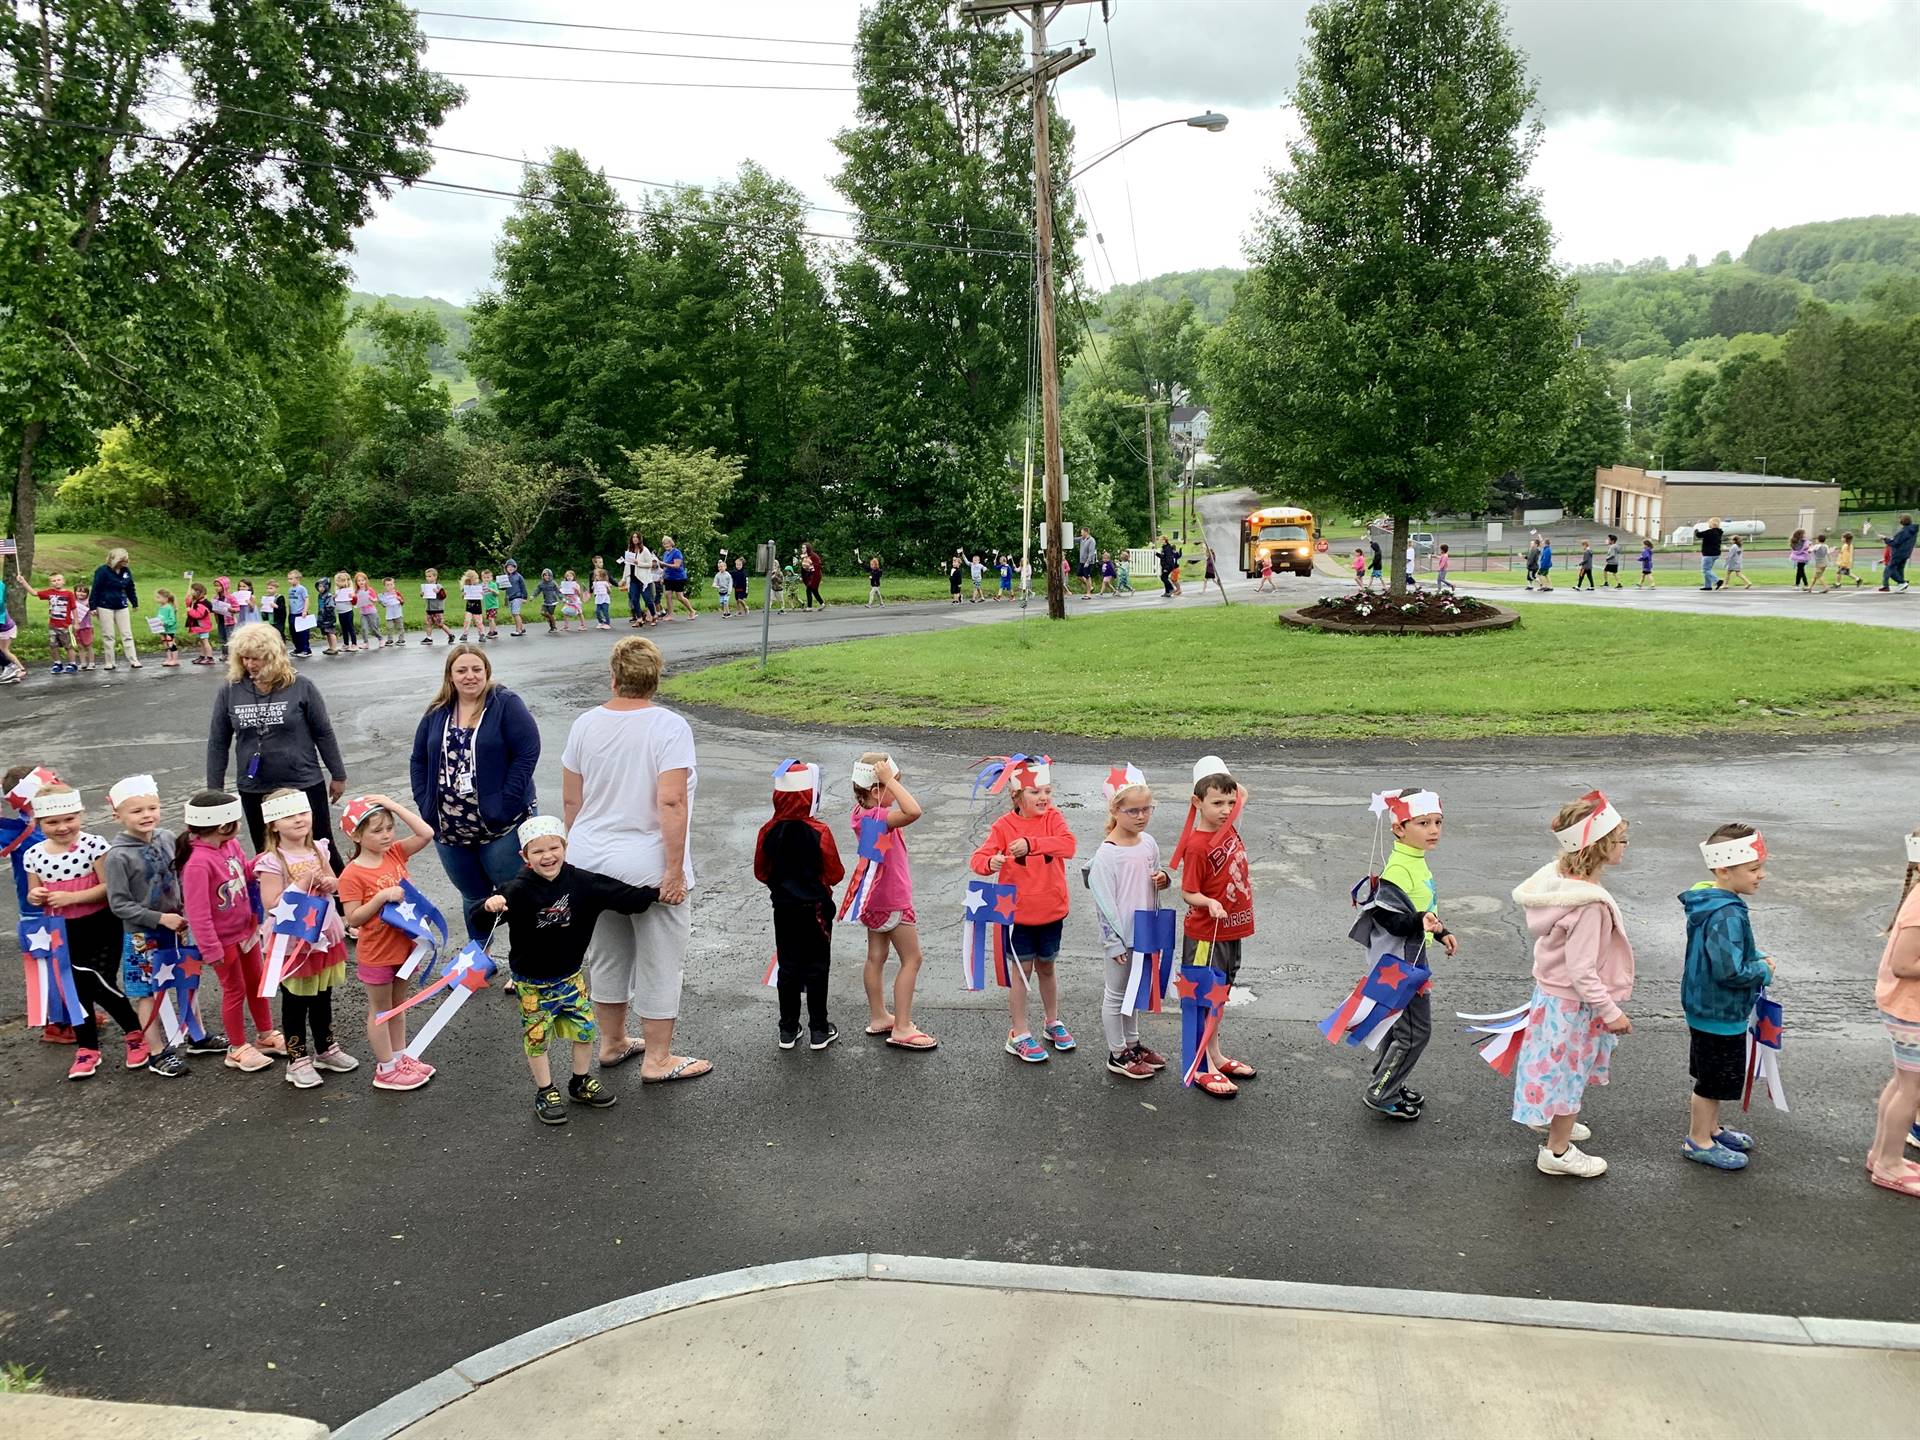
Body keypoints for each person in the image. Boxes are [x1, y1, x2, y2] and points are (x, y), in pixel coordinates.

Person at [562, 638, 707, 1083]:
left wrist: (573, 857)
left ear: (613, 677)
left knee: (607, 953)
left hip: (589, 860)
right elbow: (671, 801)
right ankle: (658, 1058)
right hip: (645, 861)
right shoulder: (669, 726)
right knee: (661, 958)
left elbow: (572, 799)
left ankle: (611, 1042)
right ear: (656, 679)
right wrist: (674, 869)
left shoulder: (584, 724)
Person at [480, 816, 657, 1123]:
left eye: (554, 847)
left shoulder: (582, 882)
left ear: (565, 847)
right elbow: (481, 920)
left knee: (585, 1031)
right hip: (532, 984)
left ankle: (580, 1081)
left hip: (571, 978)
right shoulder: (517, 890)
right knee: (537, 1038)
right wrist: (488, 906)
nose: (547, 856)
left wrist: (657, 893)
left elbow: (622, 895)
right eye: (537, 851)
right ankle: (545, 1089)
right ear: (524, 857)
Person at [1511, 792, 1635, 1178]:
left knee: (1553, 1066)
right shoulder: (1590, 906)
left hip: (1552, 996)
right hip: (1573, 1004)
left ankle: (1549, 1118)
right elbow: (1583, 971)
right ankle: (1558, 1152)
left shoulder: (1558, 883)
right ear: (1599, 847)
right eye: (1620, 840)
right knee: (1569, 1075)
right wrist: (1611, 1012)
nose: (1626, 846)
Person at [408, 642, 541, 944]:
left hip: (500, 828)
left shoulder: (505, 704)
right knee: (473, 898)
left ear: (486, 671)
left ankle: (524, 963)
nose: (470, 676)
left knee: (516, 894)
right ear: (450, 676)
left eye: (476, 669)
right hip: (450, 832)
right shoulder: (438, 711)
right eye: (462, 670)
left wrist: (506, 803)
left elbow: (527, 752)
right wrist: (425, 802)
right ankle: (477, 962)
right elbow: (418, 759)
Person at [22, 784, 145, 1080]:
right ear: (38, 823)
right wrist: (36, 895)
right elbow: (31, 893)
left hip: (102, 924)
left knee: (99, 982)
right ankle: (87, 1046)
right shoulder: (34, 854)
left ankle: (134, 1033)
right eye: (53, 822)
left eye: (69, 819)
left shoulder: (95, 845)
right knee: (74, 988)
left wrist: (72, 898)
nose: (63, 827)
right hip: (63, 930)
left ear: (80, 815)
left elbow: (109, 888)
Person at [1351, 788, 1456, 1121]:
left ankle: (1389, 1081)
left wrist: (1440, 932)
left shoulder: (1415, 862)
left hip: (1412, 957)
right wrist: (1420, 922)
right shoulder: (1398, 869)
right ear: (1399, 828)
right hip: (1401, 965)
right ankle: (1382, 1090)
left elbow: (1420, 911)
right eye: (1423, 823)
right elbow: (1389, 918)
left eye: (1438, 822)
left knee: (1400, 1028)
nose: (1434, 830)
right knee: (1415, 1033)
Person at [207, 623, 349, 865]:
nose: (250, 664)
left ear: (273, 657)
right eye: (245, 658)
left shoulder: (301, 686)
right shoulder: (230, 691)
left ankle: (342, 902)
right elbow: (218, 742)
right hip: (255, 787)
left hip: (302, 782)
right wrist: (214, 792)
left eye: (257, 658)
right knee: (268, 854)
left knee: (321, 848)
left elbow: (323, 732)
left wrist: (338, 774)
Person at [1679, 823, 1776, 1170]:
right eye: (1754, 869)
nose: (1761, 875)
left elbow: (1722, 951)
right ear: (1723, 869)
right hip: (1719, 1011)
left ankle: (1712, 1129)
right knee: (1712, 1081)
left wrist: (1753, 953)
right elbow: (1730, 971)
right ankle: (1698, 1140)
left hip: (1706, 1005)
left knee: (1717, 1076)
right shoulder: (1727, 911)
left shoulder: (1711, 899)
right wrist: (1762, 970)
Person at [970, 755, 1077, 1064]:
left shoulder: (1054, 818)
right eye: (1035, 792)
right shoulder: (1003, 826)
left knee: (1047, 966)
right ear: (1016, 794)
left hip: (1052, 910)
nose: (1043, 797)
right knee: (1022, 972)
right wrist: (991, 862)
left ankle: (1052, 1022)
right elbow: (978, 859)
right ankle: (1018, 1033)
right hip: (1017, 915)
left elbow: (1068, 846)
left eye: (1047, 790)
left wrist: (1032, 844)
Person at [253, 788, 355, 1089]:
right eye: (289, 815)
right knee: (297, 1001)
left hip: (323, 935)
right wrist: (297, 884)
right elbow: (271, 903)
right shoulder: (272, 861)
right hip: (294, 943)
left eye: (303, 813)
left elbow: (336, 884)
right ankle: (297, 1059)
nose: (298, 820)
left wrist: (329, 882)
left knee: (323, 995)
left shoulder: (318, 850)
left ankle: (326, 1048)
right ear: (273, 824)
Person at [336, 794, 437, 1092]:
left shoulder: (394, 853)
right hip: (378, 953)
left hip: (405, 948)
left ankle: (399, 1056)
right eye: (377, 830)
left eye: (389, 827)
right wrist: (381, 897)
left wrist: (391, 805)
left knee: (398, 1006)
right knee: (381, 1010)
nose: (386, 835)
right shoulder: (352, 874)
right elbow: (353, 919)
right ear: (356, 835)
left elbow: (427, 833)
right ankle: (386, 1068)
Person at [178, 788, 281, 1073]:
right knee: (234, 990)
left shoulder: (230, 845)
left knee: (257, 983)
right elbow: (198, 914)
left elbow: (242, 874)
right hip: (222, 942)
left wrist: (260, 863)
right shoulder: (197, 863)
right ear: (224, 825)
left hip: (245, 931)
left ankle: (265, 1035)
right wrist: (211, 949)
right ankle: (236, 1047)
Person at [1170, 758, 1256, 1098]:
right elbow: (1188, 891)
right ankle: (1201, 1064)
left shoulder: (1228, 823)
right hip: (1207, 933)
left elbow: (1241, 792)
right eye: (1217, 803)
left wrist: (1223, 781)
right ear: (1197, 803)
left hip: (1232, 930)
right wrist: (1209, 903)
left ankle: (1215, 1054)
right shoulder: (1197, 846)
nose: (1226, 810)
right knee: (1204, 998)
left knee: (1221, 995)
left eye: (1230, 803)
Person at [103, 774, 197, 1079]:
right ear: (117, 816)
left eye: (152, 808)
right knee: (147, 993)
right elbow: (119, 904)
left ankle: (197, 1036)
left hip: (177, 927)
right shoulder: (117, 856)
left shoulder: (168, 837)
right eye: (137, 811)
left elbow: (183, 876)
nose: (147, 816)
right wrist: (159, 919)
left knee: (187, 982)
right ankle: (157, 1052)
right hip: (143, 936)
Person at [1085, 767, 1172, 1081]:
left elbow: (1156, 877)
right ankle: (1118, 1052)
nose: (1141, 816)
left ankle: (1133, 1044)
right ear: (1115, 811)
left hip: (1145, 932)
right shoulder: (1107, 855)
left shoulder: (1147, 843)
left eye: (1146, 809)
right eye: (1133, 810)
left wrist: (1163, 880)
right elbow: (1103, 903)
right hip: (1122, 937)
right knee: (1116, 993)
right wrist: (1113, 941)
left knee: (1135, 992)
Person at [755, 761, 845, 1052]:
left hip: (783, 907)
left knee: (788, 967)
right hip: (816, 908)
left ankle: (787, 1028)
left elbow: (761, 872)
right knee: (818, 967)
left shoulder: (767, 830)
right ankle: (819, 1028)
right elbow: (835, 873)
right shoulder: (819, 831)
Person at [848, 754, 936, 1052]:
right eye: (894, 786)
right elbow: (913, 811)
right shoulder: (879, 818)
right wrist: (888, 780)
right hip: (893, 899)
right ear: (876, 790)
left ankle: (879, 1016)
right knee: (913, 959)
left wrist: (886, 782)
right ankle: (903, 1026)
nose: (898, 789)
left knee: (876, 956)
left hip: (873, 899)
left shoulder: (860, 813)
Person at [1867, 831, 1920, 1197]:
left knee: (1903, 1085)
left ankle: (1881, 1154)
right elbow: (1904, 964)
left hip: (1906, 1009)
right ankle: (1888, 1164)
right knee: (1912, 1092)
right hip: (1911, 1011)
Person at [88, 546, 141, 670]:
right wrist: (93, 606)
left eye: (125, 560)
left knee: (127, 634)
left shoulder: (126, 571)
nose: (124, 563)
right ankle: (109, 661)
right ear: (114, 559)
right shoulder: (102, 571)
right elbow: (96, 588)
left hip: (121, 605)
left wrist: (134, 602)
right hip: (105, 605)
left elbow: (130, 587)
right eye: (122, 560)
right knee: (108, 635)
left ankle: (133, 659)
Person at [34, 571, 79, 674]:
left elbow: (74, 608)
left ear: (63, 581)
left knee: (68, 645)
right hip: (53, 625)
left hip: (65, 625)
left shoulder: (69, 594)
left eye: (58, 580)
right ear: (50, 583)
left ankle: (72, 663)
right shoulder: (49, 592)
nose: (56, 582)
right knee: (53, 645)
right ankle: (57, 663)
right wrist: (23, 582)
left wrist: (76, 622)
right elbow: (34, 593)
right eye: (53, 581)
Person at [661, 536, 697, 619]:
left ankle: (692, 611)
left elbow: (677, 565)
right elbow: (665, 567)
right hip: (668, 577)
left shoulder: (677, 552)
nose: (665, 545)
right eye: (664, 543)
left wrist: (664, 564)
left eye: (667, 543)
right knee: (667, 595)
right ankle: (670, 614)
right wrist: (662, 577)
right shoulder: (665, 554)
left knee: (679, 597)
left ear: (671, 543)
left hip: (678, 577)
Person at [1881, 512, 1915, 592]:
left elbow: (1895, 543)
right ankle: (1901, 585)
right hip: (1906, 553)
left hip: (1899, 553)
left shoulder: (1904, 531)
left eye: (1900, 519)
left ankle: (1902, 583)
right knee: (1900, 569)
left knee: (1890, 569)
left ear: (1903, 520)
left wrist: (1885, 538)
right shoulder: (1911, 530)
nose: (1899, 520)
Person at [185, 583, 216, 665]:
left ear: (198, 592)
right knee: (202, 642)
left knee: (205, 642)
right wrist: (188, 597)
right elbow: (188, 602)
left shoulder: (202, 604)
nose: (191, 592)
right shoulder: (197, 601)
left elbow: (198, 615)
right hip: (200, 626)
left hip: (203, 626)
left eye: (192, 590)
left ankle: (209, 657)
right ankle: (202, 656)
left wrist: (189, 611)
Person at [71, 584, 99, 671]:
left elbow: (95, 611)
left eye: (84, 592)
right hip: (76, 627)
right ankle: (83, 663)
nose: (81, 593)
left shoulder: (88, 602)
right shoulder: (73, 602)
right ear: (75, 592)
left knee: (88, 645)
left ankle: (91, 663)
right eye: (79, 591)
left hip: (86, 627)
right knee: (80, 646)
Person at [286, 569, 313, 657]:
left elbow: (306, 599)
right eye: (288, 579)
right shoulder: (290, 589)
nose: (289, 581)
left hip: (300, 613)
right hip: (292, 614)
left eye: (291, 579)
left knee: (303, 632)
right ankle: (298, 648)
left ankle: (306, 649)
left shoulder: (301, 588)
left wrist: (305, 610)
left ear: (297, 579)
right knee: (294, 632)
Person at [420, 568, 450, 644]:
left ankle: (450, 634)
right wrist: (422, 594)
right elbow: (425, 595)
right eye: (426, 576)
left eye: (430, 576)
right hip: (429, 608)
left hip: (437, 609)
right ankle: (429, 638)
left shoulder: (438, 586)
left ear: (435, 577)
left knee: (439, 624)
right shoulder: (426, 586)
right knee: (428, 623)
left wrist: (438, 592)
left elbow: (443, 596)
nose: (427, 578)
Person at [332, 571, 359, 653]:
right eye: (337, 581)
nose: (338, 583)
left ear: (345, 581)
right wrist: (334, 598)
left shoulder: (349, 590)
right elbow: (334, 602)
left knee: (350, 628)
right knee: (343, 629)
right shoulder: (337, 591)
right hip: (340, 613)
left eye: (340, 581)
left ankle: (354, 644)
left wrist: (353, 597)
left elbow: (354, 602)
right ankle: (346, 644)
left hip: (348, 612)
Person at [1696, 516, 1726, 590]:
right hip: (1716, 554)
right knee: (1708, 570)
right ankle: (1708, 586)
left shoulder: (1709, 532)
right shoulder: (1719, 532)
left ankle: (1717, 581)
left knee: (1705, 570)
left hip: (1708, 554)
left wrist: (1696, 529)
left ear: (1712, 524)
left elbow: (1698, 535)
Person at [153, 587, 181, 667]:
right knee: (165, 644)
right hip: (162, 630)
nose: (157, 599)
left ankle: (175, 660)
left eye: (159, 597)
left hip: (169, 629)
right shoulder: (160, 607)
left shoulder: (169, 608)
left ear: (166, 598)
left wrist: (164, 623)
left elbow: (172, 620)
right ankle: (169, 658)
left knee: (171, 643)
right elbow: (160, 617)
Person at [456, 569, 485, 644]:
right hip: (469, 607)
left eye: (477, 578)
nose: (477, 580)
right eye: (475, 578)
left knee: (478, 621)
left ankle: (481, 634)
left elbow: (482, 595)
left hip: (477, 606)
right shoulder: (466, 587)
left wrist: (482, 593)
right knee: (467, 620)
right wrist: (464, 594)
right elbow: (462, 596)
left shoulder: (479, 587)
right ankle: (465, 634)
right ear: (470, 579)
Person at [502, 560, 528, 637]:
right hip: (510, 597)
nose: (510, 568)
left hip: (517, 597)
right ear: (506, 568)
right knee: (514, 614)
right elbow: (504, 588)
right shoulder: (506, 577)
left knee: (515, 613)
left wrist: (525, 597)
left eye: (512, 567)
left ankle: (518, 630)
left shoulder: (518, 576)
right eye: (508, 567)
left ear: (515, 567)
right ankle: (522, 628)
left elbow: (523, 587)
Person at [354, 572, 379, 651]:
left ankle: (380, 638)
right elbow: (355, 601)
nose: (361, 582)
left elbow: (375, 599)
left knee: (373, 628)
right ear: (356, 582)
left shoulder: (369, 590)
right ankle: (366, 643)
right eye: (359, 581)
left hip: (371, 612)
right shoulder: (356, 592)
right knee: (364, 628)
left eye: (363, 580)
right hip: (363, 613)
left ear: (366, 581)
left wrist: (371, 599)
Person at [380, 576, 406, 646]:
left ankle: (401, 639)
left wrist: (400, 599)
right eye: (388, 585)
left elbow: (403, 602)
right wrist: (381, 602)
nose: (390, 586)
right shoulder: (384, 595)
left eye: (391, 584)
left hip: (398, 613)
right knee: (389, 627)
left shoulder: (397, 593)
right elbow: (383, 605)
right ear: (384, 586)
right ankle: (390, 640)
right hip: (389, 614)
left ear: (394, 585)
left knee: (400, 627)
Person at [536, 568, 560, 632]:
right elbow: (537, 590)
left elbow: (558, 591)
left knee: (550, 615)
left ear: (551, 576)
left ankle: (553, 627)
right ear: (543, 576)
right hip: (546, 601)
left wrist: (562, 598)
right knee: (543, 612)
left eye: (548, 575)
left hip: (553, 602)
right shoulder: (541, 584)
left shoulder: (553, 583)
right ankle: (553, 621)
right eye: (545, 575)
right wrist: (533, 596)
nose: (547, 576)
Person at [1077, 529, 1098, 598]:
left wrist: (1088, 562)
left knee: (1087, 576)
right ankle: (1090, 587)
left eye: (1082, 532)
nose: (1081, 534)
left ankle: (1088, 593)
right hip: (1081, 561)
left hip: (1088, 562)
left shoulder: (1091, 540)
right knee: (1079, 575)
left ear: (1086, 532)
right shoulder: (1082, 539)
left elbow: (1091, 553)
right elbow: (1074, 539)